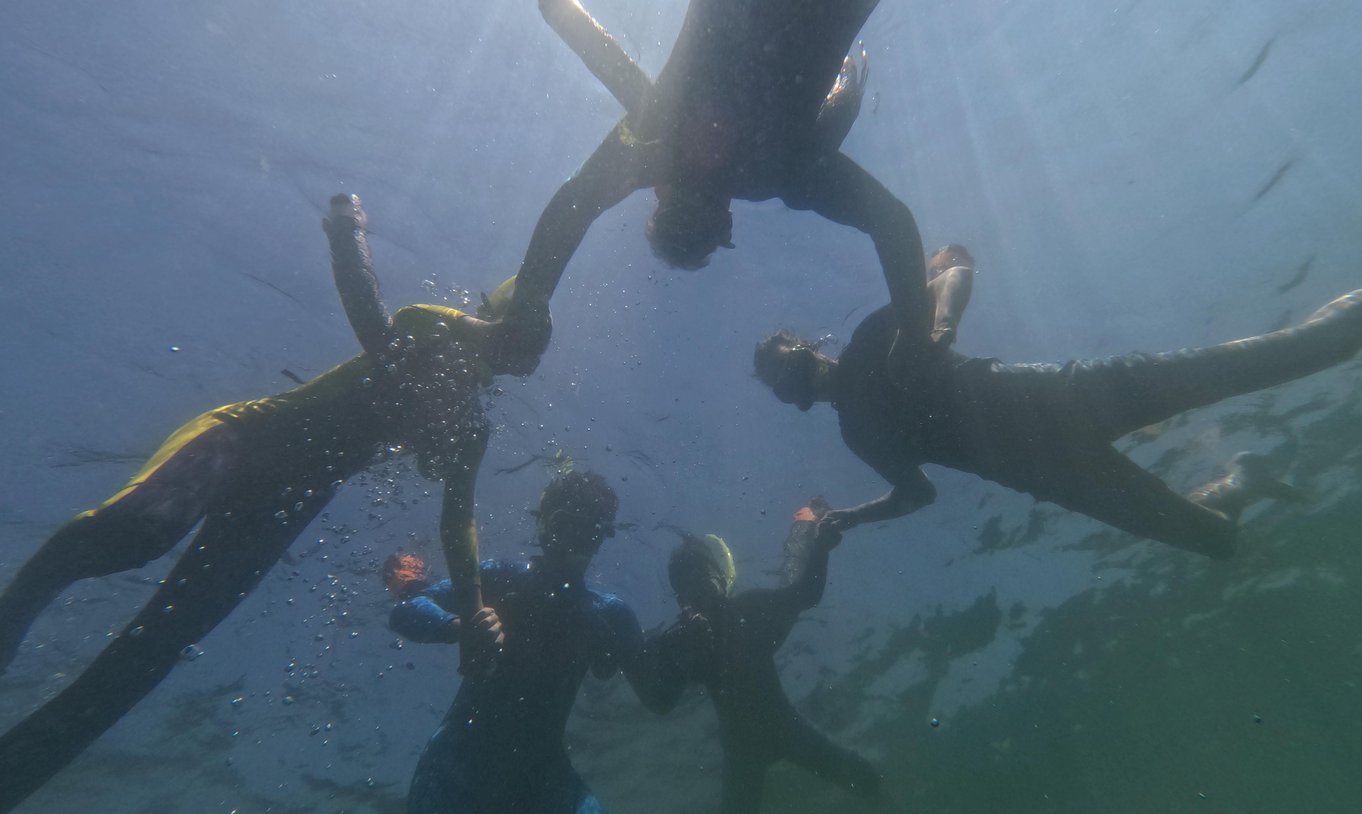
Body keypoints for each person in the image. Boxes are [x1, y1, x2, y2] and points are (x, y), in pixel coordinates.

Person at [0, 195, 503, 812]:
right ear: (489, 319)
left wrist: (473, 614)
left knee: (160, 644)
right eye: (513, 331)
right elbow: (372, 313)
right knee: (135, 534)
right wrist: (347, 229)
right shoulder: (435, 326)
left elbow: (459, 520)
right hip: (243, 439)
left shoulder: (471, 427)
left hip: (290, 503)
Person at [491, 0, 1019, 372]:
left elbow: (894, 222)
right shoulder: (656, 135)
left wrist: (915, 342)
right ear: (660, 202)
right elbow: (575, 202)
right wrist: (530, 301)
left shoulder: (780, 173)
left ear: (724, 225)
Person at [754, 244, 1362, 559]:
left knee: (1273, 359)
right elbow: (918, 493)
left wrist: (943, 326)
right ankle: (1242, 479)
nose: (791, 374)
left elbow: (953, 272)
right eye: (780, 380)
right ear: (791, 401)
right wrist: (849, 517)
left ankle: (1344, 325)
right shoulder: (857, 436)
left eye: (788, 358)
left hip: (1067, 396)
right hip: (1053, 475)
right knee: (1214, 540)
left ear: (809, 348)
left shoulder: (867, 338)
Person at [391, 470, 666, 814]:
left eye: (590, 531)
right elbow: (404, 613)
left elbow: (658, 697)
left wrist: (685, 636)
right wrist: (458, 626)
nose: (576, 542)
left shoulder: (610, 615)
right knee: (416, 590)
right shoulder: (501, 576)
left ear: (602, 537)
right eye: (567, 526)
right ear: (543, 526)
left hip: (539, 777)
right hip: (458, 766)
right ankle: (410, 580)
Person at [643, 510, 879, 813]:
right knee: (860, 776)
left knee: (866, 779)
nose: (701, 597)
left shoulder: (749, 610)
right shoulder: (682, 639)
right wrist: (677, 654)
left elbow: (806, 594)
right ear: (681, 601)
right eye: (689, 593)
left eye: (705, 585)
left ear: (721, 580)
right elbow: (662, 699)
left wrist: (820, 549)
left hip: (773, 736)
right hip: (755, 746)